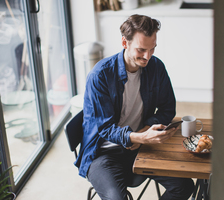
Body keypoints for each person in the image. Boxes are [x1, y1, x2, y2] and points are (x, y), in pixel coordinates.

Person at [75, 14, 194, 200]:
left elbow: (167, 109)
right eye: (141, 50)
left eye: (152, 48)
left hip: (141, 147)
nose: (148, 56)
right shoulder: (100, 75)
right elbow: (105, 128)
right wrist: (137, 137)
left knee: (185, 186)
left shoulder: (156, 67)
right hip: (103, 152)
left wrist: (144, 133)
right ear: (125, 43)